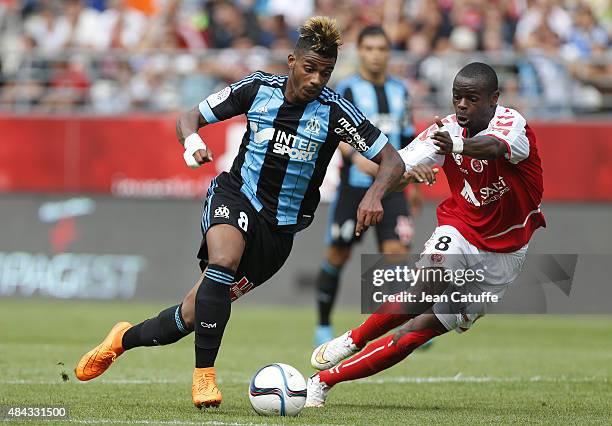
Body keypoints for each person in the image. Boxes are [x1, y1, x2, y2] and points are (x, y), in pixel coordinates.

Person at [74, 16, 405, 410]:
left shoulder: (336, 112)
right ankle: (204, 377)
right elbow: (189, 117)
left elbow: (392, 160)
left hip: (280, 232)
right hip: (237, 195)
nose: (317, 79)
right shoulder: (257, 88)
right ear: (291, 61)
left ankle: (121, 340)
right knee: (224, 259)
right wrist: (192, 142)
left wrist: (375, 193)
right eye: (310, 68)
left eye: (326, 72)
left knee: (192, 315)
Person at [305, 62, 546, 407]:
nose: (461, 105)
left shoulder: (512, 125)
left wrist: (455, 148)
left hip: (505, 256)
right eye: (457, 98)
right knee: (420, 291)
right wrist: (376, 193)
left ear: (494, 99)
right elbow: (396, 165)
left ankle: (325, 379)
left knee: (412, 334)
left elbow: (493, 148)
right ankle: (352, 340)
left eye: (471, 99)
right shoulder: (444, 130)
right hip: (461, 228)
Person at [314, 25, 421, 346]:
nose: (376, 55)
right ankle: (322, 325)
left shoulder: (400, 91)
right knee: (337, 254)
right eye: (370, 48)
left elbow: (408, 138)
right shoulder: (346, 90)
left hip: (394, 187)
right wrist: (356, 156)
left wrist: (414, 185)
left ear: (389, 53)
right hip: (355, 187)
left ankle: (408, 324)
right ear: (360, 52)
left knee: (397, 255)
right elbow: (335, 131)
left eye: (382, 49)